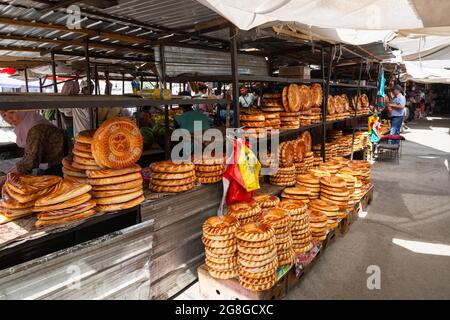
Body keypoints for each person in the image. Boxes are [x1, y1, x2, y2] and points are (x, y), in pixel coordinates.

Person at [0, 110, 65, 186]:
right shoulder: (28, 125)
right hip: (51, 168)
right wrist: (9, 173)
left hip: (60, 170)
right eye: (4, 115)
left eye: (12, 112)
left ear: (23, 111)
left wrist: (5, 178)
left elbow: (29, 163)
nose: (9, 118)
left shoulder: (36, 128)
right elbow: (28, 155)